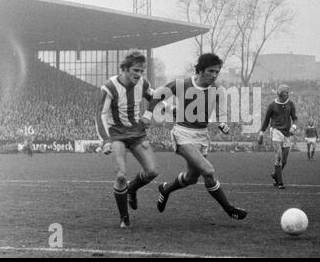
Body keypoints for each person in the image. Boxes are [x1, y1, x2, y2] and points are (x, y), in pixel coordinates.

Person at [143, 53, 247, 220]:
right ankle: (229, 209)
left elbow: (221, 114)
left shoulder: (217, 90)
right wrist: (148, 116)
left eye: (217, 72)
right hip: (183, 134)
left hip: (202, 136)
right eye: (211, 71)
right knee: (208, 170)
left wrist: (222, 124)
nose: (214, 75)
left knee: (191, 178)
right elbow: (157, 96)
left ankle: (166, 189)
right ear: (200, 70)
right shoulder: (182, 84)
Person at [95, 50, 158, 229]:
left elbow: (155, 97)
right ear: (125, 69)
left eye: (141, 71)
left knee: (152, 172)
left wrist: (154, 112)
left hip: (137, 132)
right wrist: (106, 140)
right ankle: (124, 218)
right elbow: (101, 114)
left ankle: (133, 189)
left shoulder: (143, 83)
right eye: (135, 70)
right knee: (121, 176)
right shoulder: (110, 86)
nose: (138, 75)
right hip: (117, 135)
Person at [257, 85, 298, 189]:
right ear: (280, 94)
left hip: (287, 133)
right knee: (279, 155)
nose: (288, 94)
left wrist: (293, 127)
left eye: (288, 92)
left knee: (284, 160)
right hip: (276, 130)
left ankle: (276, 174)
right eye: (286, 92)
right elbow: (266, 120)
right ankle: (279, 183)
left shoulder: (291, 104)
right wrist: (261, 133)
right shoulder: (272, 105)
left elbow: (295, 118)